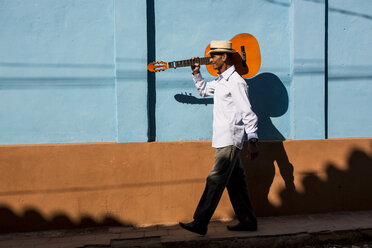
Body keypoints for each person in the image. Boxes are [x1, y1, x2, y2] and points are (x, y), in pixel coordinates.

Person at [179, 40, 259, 235]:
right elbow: (204, 91)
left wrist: (253, 139)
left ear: (224, 57)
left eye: (214, 56)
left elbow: (247, 111)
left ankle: (200, 222)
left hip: (231, 138)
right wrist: (196, 73)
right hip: (223, 137)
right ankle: (248, 221)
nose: (211, 60)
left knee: (215, 179)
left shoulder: (236, 81)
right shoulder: (221, 80)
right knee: (235, 181)